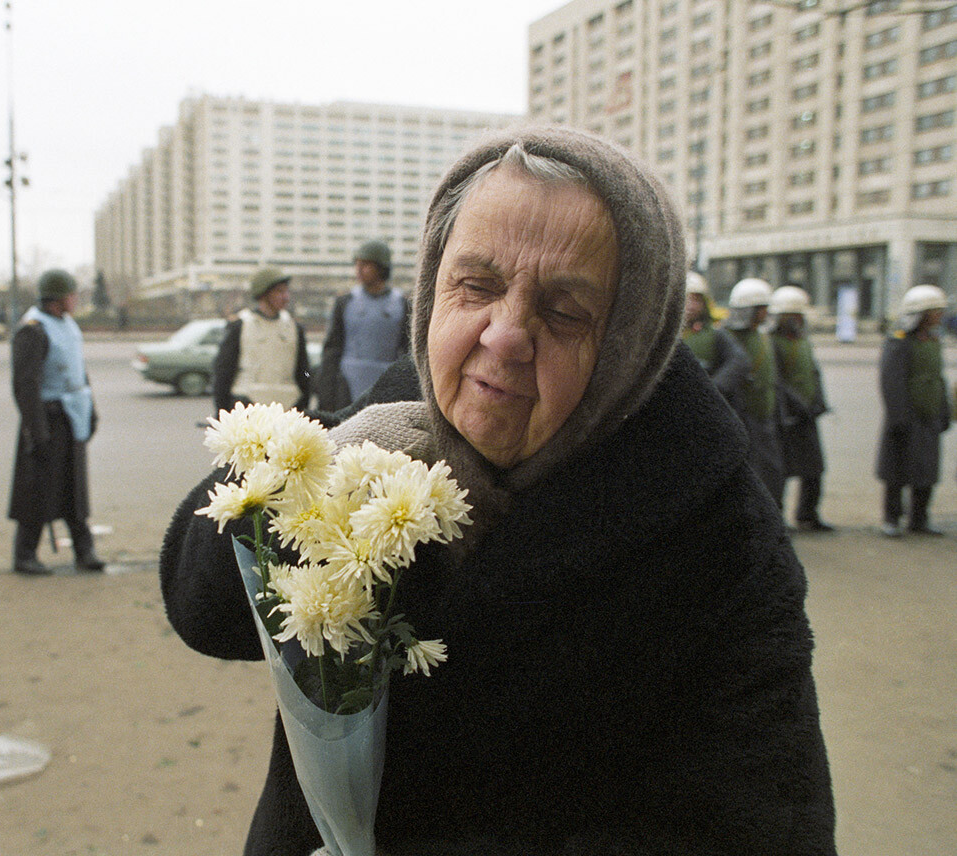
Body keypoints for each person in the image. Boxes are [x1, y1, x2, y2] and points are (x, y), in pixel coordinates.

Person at [161, 126, 835, 854]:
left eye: (566, 311)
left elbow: (759, 823)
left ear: (631, 339)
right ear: (432, 285)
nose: (505, 335)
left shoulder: (720, 534)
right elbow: (205, 614)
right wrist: (324, 456)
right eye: (476, 285)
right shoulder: (383, 424)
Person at [8, 268, 104, 575]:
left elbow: (79, 370)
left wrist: (91, 410)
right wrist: (37, 432)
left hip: (72, 415)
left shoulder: (68, 325)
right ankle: (24, 555)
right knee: (37, 491)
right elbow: (25, 385)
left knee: (74, 488)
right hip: (47, 419)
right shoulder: (33, 329)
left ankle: (84, 550)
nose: (76, 300)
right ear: (59, 298)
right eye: (73, 294)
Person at [875, 284, 950, 537]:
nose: (939, 316)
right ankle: (891, 519)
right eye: (934, 311)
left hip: (928, 417)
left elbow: (937, 378)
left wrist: (944, 411)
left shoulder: (933, 340)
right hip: (905, 417)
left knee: (926, 471)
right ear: (921, 313)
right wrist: (899, 417)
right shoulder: (899, 340)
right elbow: (892, 380)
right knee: (897, 471)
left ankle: (919, 519)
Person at [314, 240, 411, 411]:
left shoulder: (401, 304)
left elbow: (408, 351)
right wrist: (326, 394)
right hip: (346, 386)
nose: (358, 270)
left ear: (381, 268)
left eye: (365, 265)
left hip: (385, 386)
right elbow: (332, 350)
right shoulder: (345, 302)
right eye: (357, 264)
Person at [771, 285, 833, 532]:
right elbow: (778, 380)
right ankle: (779, 518)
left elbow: (813, 372)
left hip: (808, 416)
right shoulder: (772, 343)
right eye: (791, 316)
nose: (797, 320)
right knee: (783, 471)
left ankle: (808, 514)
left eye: (799, 315)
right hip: (788, 418)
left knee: (814, 470)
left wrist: (818, 401)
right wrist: (796, 404)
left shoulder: (804, 341)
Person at [211, 267, 311, 415]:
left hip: (287, 407)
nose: (286, 297)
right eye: (279, 292)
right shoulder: (240, 325)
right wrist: (223, 413)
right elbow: (223, 373)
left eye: (286, 291)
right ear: (263, 293)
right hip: (247, 405)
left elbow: (304, 371)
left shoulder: (294, 327)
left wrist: (303, 404)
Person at [724, 277, 786, 507]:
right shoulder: (727, 337)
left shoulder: (764, 337)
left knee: (772, 472)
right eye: (761, 309)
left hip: (765, 415)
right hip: (741, 415)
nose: (765, 314)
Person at [680, 270, 751, 403]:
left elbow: (739, 360)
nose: (692, 306)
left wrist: (713, 389)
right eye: (687, 299)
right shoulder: (663, 335)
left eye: (697, 300)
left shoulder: (715, 333)